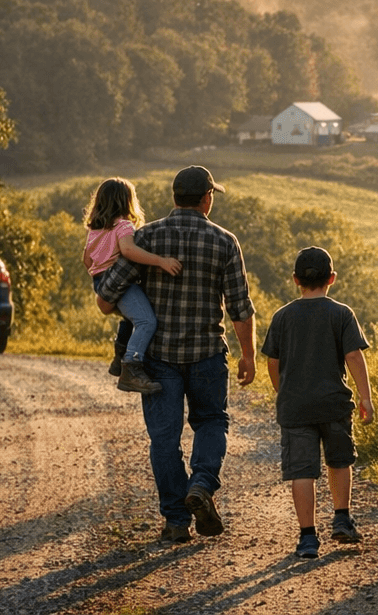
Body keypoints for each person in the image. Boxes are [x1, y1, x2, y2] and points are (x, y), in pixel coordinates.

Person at [97, 165, 256, 545]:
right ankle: (200, 485)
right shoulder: (224, 241)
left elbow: (106, 300)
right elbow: (240, 307)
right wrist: (248, 355)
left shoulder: (144, 237)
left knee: (164, 439)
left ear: (173, 198)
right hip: (206, 354)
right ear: (206, 198)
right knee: (211, 421)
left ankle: (175, 521)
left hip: (159, 358)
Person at [261, 246, 374, 559]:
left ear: (295, 279)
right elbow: (353, 355)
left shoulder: (282, 316)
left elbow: (273, 360)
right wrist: (366, 396)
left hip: (295, 407)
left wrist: (281, 390)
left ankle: (308, 538)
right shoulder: (341, 313)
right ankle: (341, 518)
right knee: (339, 460)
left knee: (302, 471)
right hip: (333, 404)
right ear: (332, 278)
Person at [82, 177, 183, 395]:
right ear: (128, 202)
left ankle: (119, 356)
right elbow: (128, 251)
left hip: (100, 282)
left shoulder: (95, 230)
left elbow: (87, 260)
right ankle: (132, 367)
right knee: (146, 321)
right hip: (120, 283)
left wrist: (100, 273)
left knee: (132, 317)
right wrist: (160, 261)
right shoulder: (124, 225)